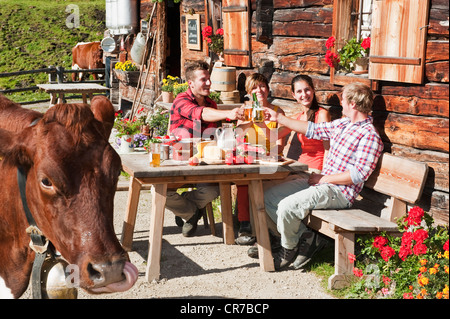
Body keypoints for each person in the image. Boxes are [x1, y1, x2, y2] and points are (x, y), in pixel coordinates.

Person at [263, 82, 384, 270]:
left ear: (352, 103)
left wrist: (323, 179)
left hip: (339, 192)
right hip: (322, 183)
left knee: (287, 206)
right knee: (270, 197)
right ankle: (307, 237)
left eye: (343, 99)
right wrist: (279, 118)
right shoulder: (343, 123)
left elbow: (359, 174)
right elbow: (313, 129)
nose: (340, 103)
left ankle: (289, 248)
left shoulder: (369, 135)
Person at [167, 60, 243, 237]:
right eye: (203, 79)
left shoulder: (212, 103)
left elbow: (214, 134)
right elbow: (199, 113)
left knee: (215, 189)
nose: (208, 83)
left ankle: (186, 204)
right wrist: (228, 113)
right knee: (161, 192)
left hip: (202, 159)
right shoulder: (181, 100)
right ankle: (191, 213)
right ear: (191, 83)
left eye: (209, 79)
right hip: (180, 157)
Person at [234, 73, 285, 245]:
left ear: (268, 89)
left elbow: (280, 144)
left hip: (269, 158)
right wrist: (250, 118)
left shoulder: (277, 112)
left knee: (260, 180)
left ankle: (264, 228)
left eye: (262, 86)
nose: (259, 90)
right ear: (248, 92)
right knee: (243, 179)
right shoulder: (245, 111)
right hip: (249, 156)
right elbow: (237, 136)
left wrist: (271, 155)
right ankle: (245, 224)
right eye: (254, 87)